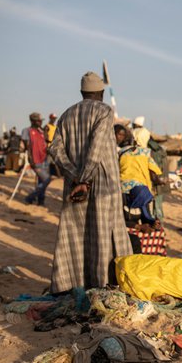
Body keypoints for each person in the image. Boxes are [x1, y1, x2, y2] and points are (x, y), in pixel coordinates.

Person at [48, 71, 132, 293]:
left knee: (76, 235)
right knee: (103, 233)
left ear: (82, 92)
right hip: (102, 183)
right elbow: (96, 149)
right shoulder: (104, 111)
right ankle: (102, 283)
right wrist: (84, 179)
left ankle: (70, 285)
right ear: (101, 93)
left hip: (75, 184)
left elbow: (54, 148)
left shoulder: (67, 115)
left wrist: (73, 174)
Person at [20, 113, 52, 205]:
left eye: (41, 120)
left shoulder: (41, 131)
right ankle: (30, 197)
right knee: (47, 179)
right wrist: (30, 160)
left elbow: (46, 141)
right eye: (39, 120)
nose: (41, 122)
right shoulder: (27, 131)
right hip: (36, 161)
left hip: (45, 159)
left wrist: (45, 131)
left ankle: (41, 201)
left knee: (42, 182)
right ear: (33, 121)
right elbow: (27, 147)